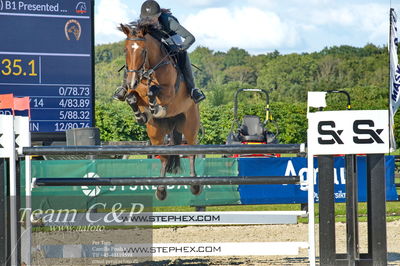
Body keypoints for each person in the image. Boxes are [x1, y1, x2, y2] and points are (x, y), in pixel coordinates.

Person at [113, 0, 206, 104]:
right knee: (135, 53)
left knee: (182, 54)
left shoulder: (169, 21)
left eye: (152, 19)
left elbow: (190, 37)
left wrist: (181, 47)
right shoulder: (143, 21)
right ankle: (124, 87)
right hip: (155, 37)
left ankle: (192, 89)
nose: (148, 21)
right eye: (146, 18)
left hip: (170, 36)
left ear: (158, 15)